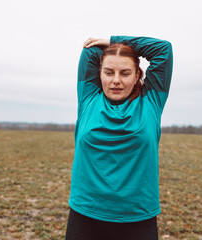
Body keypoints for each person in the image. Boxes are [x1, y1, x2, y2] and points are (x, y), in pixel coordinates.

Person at [65, 36, 173, 240]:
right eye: (108, 73)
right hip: (85, 214)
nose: (116, 80)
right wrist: (112, 48)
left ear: (136, 76)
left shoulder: (151, 102)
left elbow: (163, 50)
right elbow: (90, 50)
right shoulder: (88, 98)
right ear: (99, 74)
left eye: (125, 73)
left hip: (138, 217)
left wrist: (113, 40)